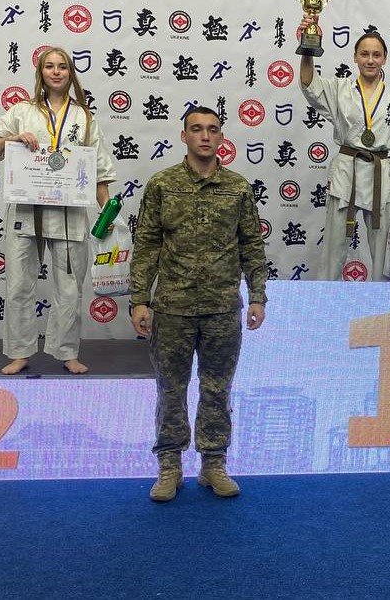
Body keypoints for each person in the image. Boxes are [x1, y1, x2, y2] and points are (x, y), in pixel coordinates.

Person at [129, 107, 268, 502]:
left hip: (222, 308)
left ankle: (213, 464)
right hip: (172, 308)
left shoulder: (238, 188)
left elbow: (251, 245)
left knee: (217, 389)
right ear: (184, 136)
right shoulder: (162, 185)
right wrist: (139, 299)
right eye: (197, 129)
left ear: (221, 137)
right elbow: (147, 245)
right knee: (170, 390)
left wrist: (257, 295)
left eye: (212, 129)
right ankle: (169, 466)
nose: (205, 136)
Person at [0, 47, 116, 375]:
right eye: (49, 66)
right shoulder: (22, 111)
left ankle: (67, 352)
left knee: (69, 286)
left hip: (69, 211)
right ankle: (19, 352)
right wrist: (13, 139)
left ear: (70, 73)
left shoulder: (84, 117)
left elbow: (98, 170)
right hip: (27, 209)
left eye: (62, 67)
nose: (56, 72)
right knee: (18, 285)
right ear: (40, 72)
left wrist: (108, 213)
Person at [297, 18, 390, 281]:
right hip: (347, 170)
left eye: (376, 55)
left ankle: (381, 297)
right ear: (355, 57)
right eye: (364, 54)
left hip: (382, 172)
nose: (370, 60)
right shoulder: (339, 89)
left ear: (385, 59)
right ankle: (328, 294)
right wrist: (308, 49)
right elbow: (309, 85)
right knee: (334, 244)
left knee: (383, 247)